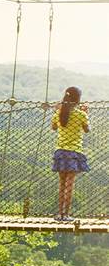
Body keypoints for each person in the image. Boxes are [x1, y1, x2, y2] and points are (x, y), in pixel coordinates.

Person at [51, 86, 90, 221]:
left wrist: (57, 110)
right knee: (69, 185)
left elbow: (54, 127)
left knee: (62, 185)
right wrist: (85, 113)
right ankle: (66, 214)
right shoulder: (81, 114)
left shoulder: (59, 113)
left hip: (60, 152)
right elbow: (86, 130)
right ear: (78, 100)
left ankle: (59, 214)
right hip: (74, 152)